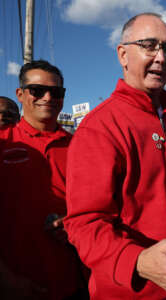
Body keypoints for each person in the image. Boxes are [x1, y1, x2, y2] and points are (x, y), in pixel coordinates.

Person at [64, 13, 166, 300]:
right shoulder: (100, 127)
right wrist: (136, 262)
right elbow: (84, 224)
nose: (161, 57)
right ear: (123, 55)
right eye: (149, 46)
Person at [0, 60, 88, 299]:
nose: (48, 97)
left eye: (56, 92)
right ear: (20, 94)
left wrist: (75, 223)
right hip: (16, 285)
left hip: (74, 282)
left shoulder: (82, 147)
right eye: (37, 91)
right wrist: (6, 280)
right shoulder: (4, 143)